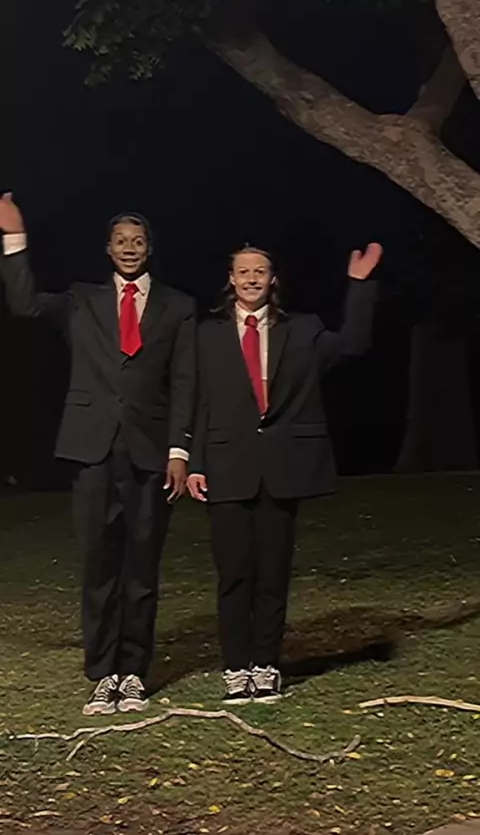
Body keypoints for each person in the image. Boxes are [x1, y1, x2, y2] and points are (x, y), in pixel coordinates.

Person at [0, 194, 196, 715]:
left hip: (150, 452)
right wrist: (15, 239)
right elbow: (24, 304)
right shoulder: (80, 300)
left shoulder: (178, 306)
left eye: (138, 241)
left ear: (149, 249)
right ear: (108, 249)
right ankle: (104, 673)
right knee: (99, 566)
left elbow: (185, 381)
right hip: (92, 448)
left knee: (142, 568)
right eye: (120, 242)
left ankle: (133, 674)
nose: (129, 249)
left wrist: (180, 449)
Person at [187, 242, 381, 704]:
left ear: (272, 279)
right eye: (243, 272)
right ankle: (236, 668)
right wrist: (193, 462)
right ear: (231, 279)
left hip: (282, 469)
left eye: (260, 271)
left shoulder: (303, 330)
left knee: (273, 574)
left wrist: (359, 286)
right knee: (235, 575)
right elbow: (196, 400)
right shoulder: (206, 334)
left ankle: (265, 665)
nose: (252, 278)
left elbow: (353, 344)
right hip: (226, 466)